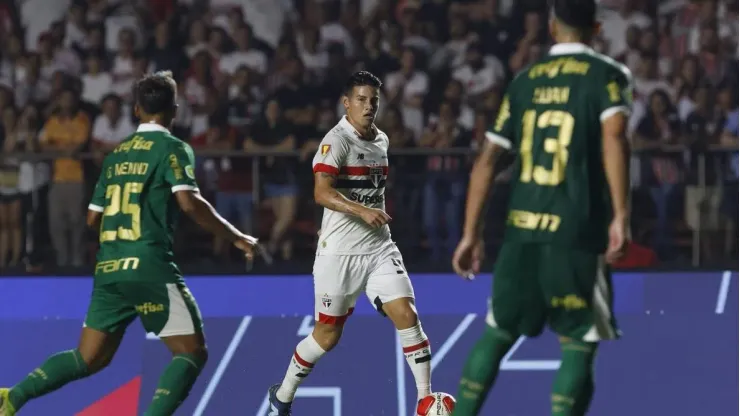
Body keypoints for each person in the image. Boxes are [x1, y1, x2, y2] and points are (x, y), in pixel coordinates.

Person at [0, 71, 258, 416]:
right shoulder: (173, 148)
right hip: (148, 263)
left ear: (136, 110)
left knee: (88, 358)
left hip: (109, 268)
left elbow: (92, 219)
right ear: (174, 110)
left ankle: (13, 397)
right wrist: (236, 236)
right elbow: (188, 202)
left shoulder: (116, 155)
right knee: (191, 352)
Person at [450, 0, 633, 414]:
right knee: (580, 340)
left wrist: (470, 233)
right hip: (576, 231)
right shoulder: (607, 75)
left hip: (521, 231)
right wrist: (621, 214)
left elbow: (486, 163)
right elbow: (615, 135)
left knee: (497, 333)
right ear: (597, 28)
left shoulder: (524, 81)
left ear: (552, 28)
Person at [267, 71, 433, 415]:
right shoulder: (336, 141)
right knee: (327, 337)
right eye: (361, 99)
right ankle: (282, 394)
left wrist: (369, 214)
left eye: (373, 100)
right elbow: (321, 192)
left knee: (407, 314)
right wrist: (360, 210)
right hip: (339, 254)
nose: (368, 106)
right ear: (347, 103)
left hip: (379, 247)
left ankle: (425, 401)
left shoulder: (381, 140)